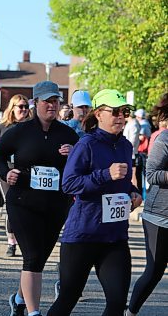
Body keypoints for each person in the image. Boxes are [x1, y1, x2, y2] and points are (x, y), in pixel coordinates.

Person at [47, 89, 142, 316]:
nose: (121, 116)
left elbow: (122, 183)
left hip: (114, 237)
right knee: (68, 298)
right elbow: (69, 184)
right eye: (115, 111)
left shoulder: (126, 146)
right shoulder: (86, 145)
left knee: (118, 302)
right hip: (83, 235)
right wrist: (105, 175)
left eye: (124, 112)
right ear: (99, 114)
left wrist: (133, 192)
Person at [0, 81, 79, 316]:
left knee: (38, 260)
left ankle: (19, 299)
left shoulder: (68, 134)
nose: (52, 105)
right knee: (32, 257)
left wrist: (73, 154)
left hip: (55, 205)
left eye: (56, 101)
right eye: (47, 101)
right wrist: (5, 172)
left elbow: (82, 165)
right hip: (22, 202)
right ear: (36, 103)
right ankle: (34, 312)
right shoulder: (20, 131)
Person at [126, 97, 168, 316]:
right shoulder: (164, 140)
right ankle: (130, 312)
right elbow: (151, 174)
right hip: (160, 216)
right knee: (154, 271)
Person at [0, 94, 32, 257]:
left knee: (27, 207)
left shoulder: (33, 127)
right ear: (12, 108)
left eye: (26, 107)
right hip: (7, 171)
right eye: (20, 106)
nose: (24, 110)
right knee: (11, 205)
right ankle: (11, 242)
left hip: (27, 172)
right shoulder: (3, 127)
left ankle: (25, 240)